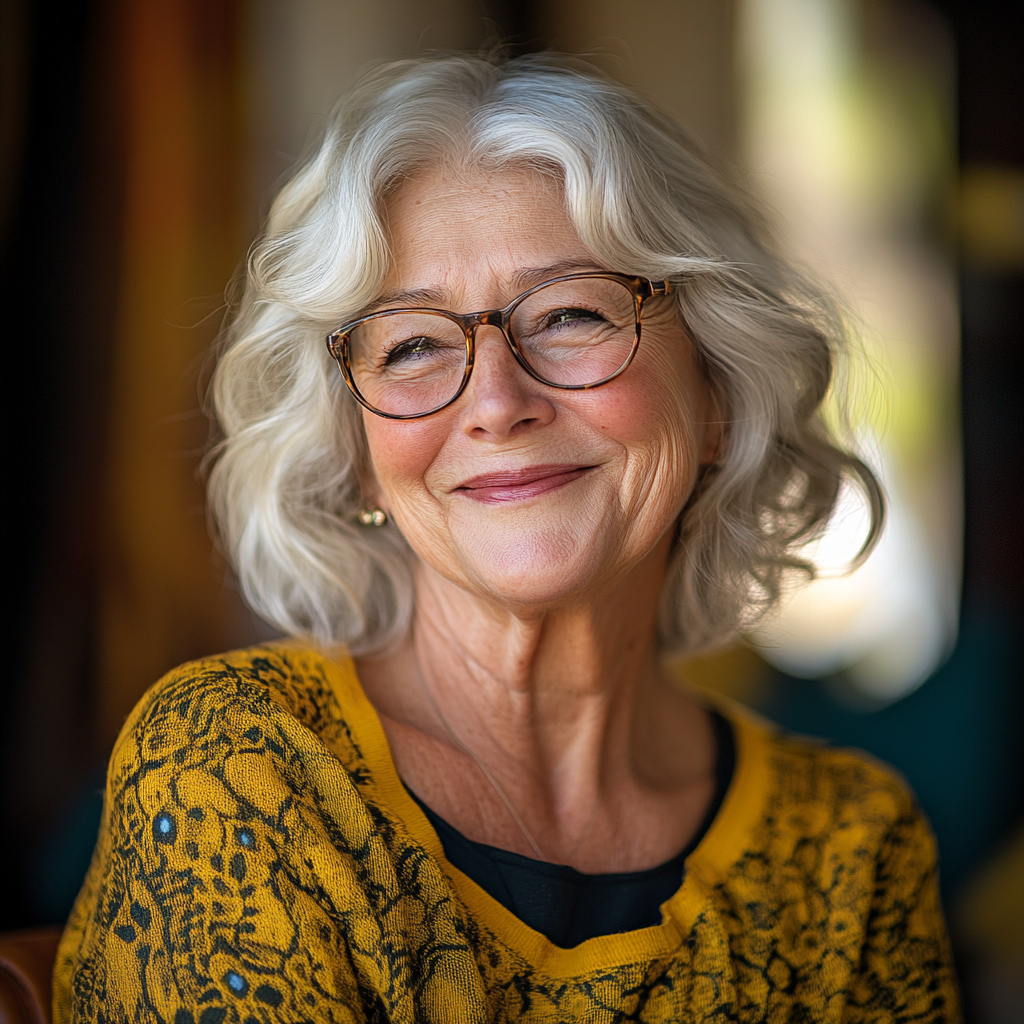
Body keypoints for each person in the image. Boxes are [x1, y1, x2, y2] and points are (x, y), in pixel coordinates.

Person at [53, 53, 959, 1022]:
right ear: (357, 453)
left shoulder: (847, 844)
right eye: (411, 344)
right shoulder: (247, 766)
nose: (495, 400)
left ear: (719, 399)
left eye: (570, 313)